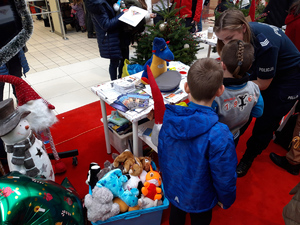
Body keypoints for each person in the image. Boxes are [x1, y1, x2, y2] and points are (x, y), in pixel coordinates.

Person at [214, 9, 300, 177]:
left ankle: (249, 157)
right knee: (245, 104)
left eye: (229, 38)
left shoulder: (266, 45)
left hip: (289, 79)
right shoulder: (243, 37)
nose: (225, 44)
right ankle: (237, 136)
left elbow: (262, 84)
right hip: (267, 71)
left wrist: (230, 87)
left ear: (243, 28)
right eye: (221, 40)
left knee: (266, 119)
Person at [158, 58, 237, 225]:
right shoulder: (220, 134)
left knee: (176, 216)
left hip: (174, 187)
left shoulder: (170, 119)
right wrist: (226, 199)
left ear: (186, 87)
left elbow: (163, 155)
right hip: (201, 196)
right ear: (220, 90)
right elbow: (224, 174)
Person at [212, 39, 264, 146]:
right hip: (234, 135)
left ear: (223, 65)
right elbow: (258, 112)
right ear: (249, 66)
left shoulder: (214, 92)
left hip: (214, 138)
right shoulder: (254, 88)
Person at [84, 0, 131, 80]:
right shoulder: (96, 5)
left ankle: (122, 80)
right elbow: (106, 25)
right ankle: (114, 83)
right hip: (111, 38)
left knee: (124, 60)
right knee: (114, 63)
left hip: (121, 35)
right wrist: (123, 14)